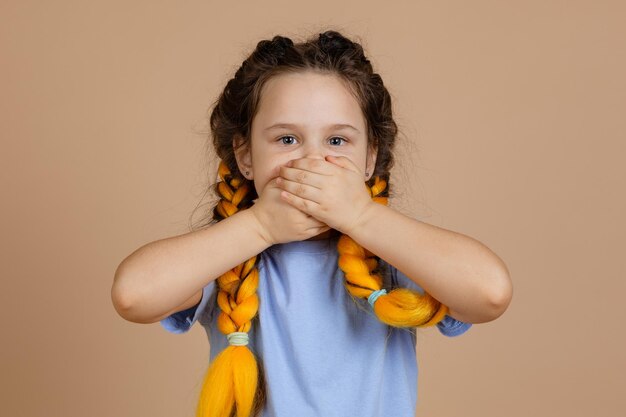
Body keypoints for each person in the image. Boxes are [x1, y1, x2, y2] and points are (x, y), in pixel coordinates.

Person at [112, 30, 513, 417]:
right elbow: (133, 295)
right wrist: (259, 228)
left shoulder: (390, 254)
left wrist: (363, 216)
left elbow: (490, 293)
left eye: (337, 141)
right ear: (245, 155)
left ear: (370, 158)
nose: (311, 161)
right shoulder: (229, 256)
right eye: (287, 139)